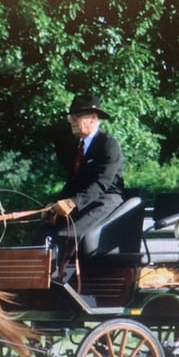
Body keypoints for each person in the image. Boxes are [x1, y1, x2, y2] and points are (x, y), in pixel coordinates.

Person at [35, 93, 125, 260]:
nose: (71, 121)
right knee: (44, 233)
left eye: (76, 116)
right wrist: (54, 206)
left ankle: (63, 280)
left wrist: (71, 203)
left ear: (92, 118)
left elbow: (100, 184)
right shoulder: (75, 146)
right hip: (83, 201)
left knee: (67, 234)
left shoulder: (108, 145)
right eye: (71, 116)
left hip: (106, 200)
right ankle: (39, 282)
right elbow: (72, 183)